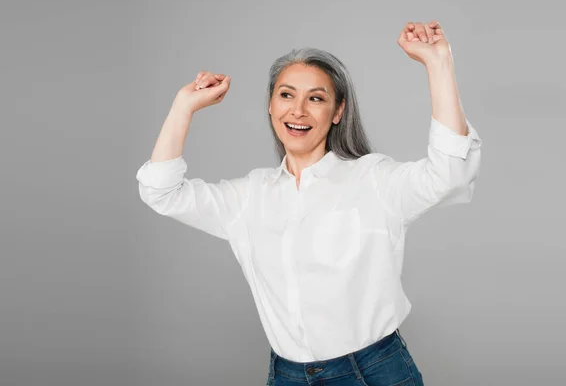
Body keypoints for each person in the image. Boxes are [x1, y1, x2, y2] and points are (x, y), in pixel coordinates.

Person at [136, 20, 482, 386]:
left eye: (316, 98)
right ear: (270, 106)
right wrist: (182, 106)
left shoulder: (374, 180)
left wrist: (438, 63)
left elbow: (452, 174)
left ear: (337, 112)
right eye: (286, 95)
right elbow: (161, 191)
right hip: (286, 375)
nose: (298, 110)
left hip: (372, 373)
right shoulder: (249, 197)